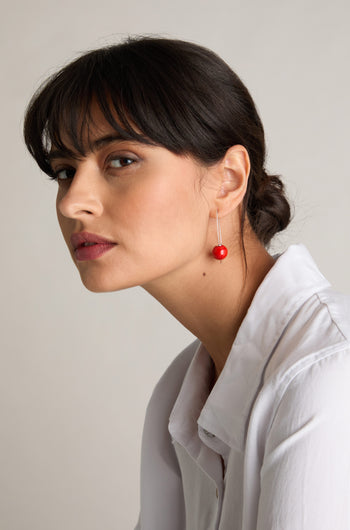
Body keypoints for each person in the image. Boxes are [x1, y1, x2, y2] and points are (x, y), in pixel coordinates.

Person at [23, 36, 350, 529]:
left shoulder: (327, 376)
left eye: (120, 160)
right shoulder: (182, 391)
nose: (73, 202)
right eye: (65, 171)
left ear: (228, 180)